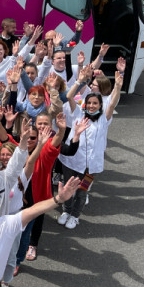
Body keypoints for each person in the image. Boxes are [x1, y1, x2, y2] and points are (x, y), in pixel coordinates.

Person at [57, 61, 125, 230]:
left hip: (90, 165)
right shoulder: (78, 113)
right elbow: (70, 96)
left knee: (82, 192)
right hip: (70, 161)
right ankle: (66, 211)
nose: (92, 106)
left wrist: (118, 84)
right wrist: (80, 80)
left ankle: (75, 216)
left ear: (100, 105)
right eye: (89, 103)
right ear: (85, 105)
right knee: (67, 188)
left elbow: (113, 102)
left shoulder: (105, 118)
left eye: (95, 104)